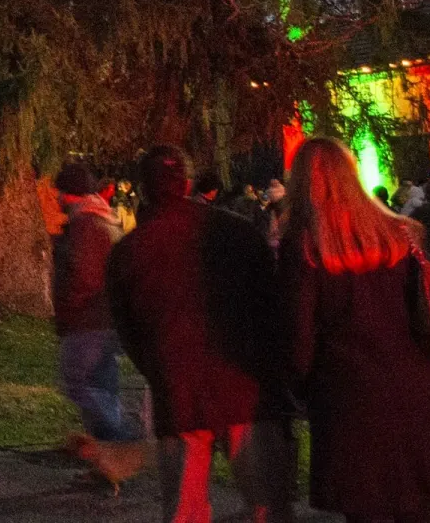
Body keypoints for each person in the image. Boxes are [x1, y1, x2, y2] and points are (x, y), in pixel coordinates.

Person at [282, 137, 430, 523]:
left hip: (349, 395)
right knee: (416, 506)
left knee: (367, 509)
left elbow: (299, 334)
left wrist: (297, 385)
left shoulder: (305, 247)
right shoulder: (395, 233)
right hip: (410, 382)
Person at [108, 145, 294, 523]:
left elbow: (128, 329)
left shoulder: (130, 251)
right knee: (268, 506)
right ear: (189, 182)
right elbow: (271, 303)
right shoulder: (236, 233)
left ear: (142, 189)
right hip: (247, 385)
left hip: (180, 391)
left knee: (185, 511)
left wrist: (159, 368)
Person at [52, 161, 130, 443]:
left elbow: (84, 277)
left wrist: (69, 309)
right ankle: (107, 460)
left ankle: (120, 439)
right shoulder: (104, 220)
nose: (57, 198)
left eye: (60, 192)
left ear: (71, 193)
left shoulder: (86, 226)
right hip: (105, 319)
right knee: (102, 386)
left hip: (86, 321)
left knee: (78, 383)